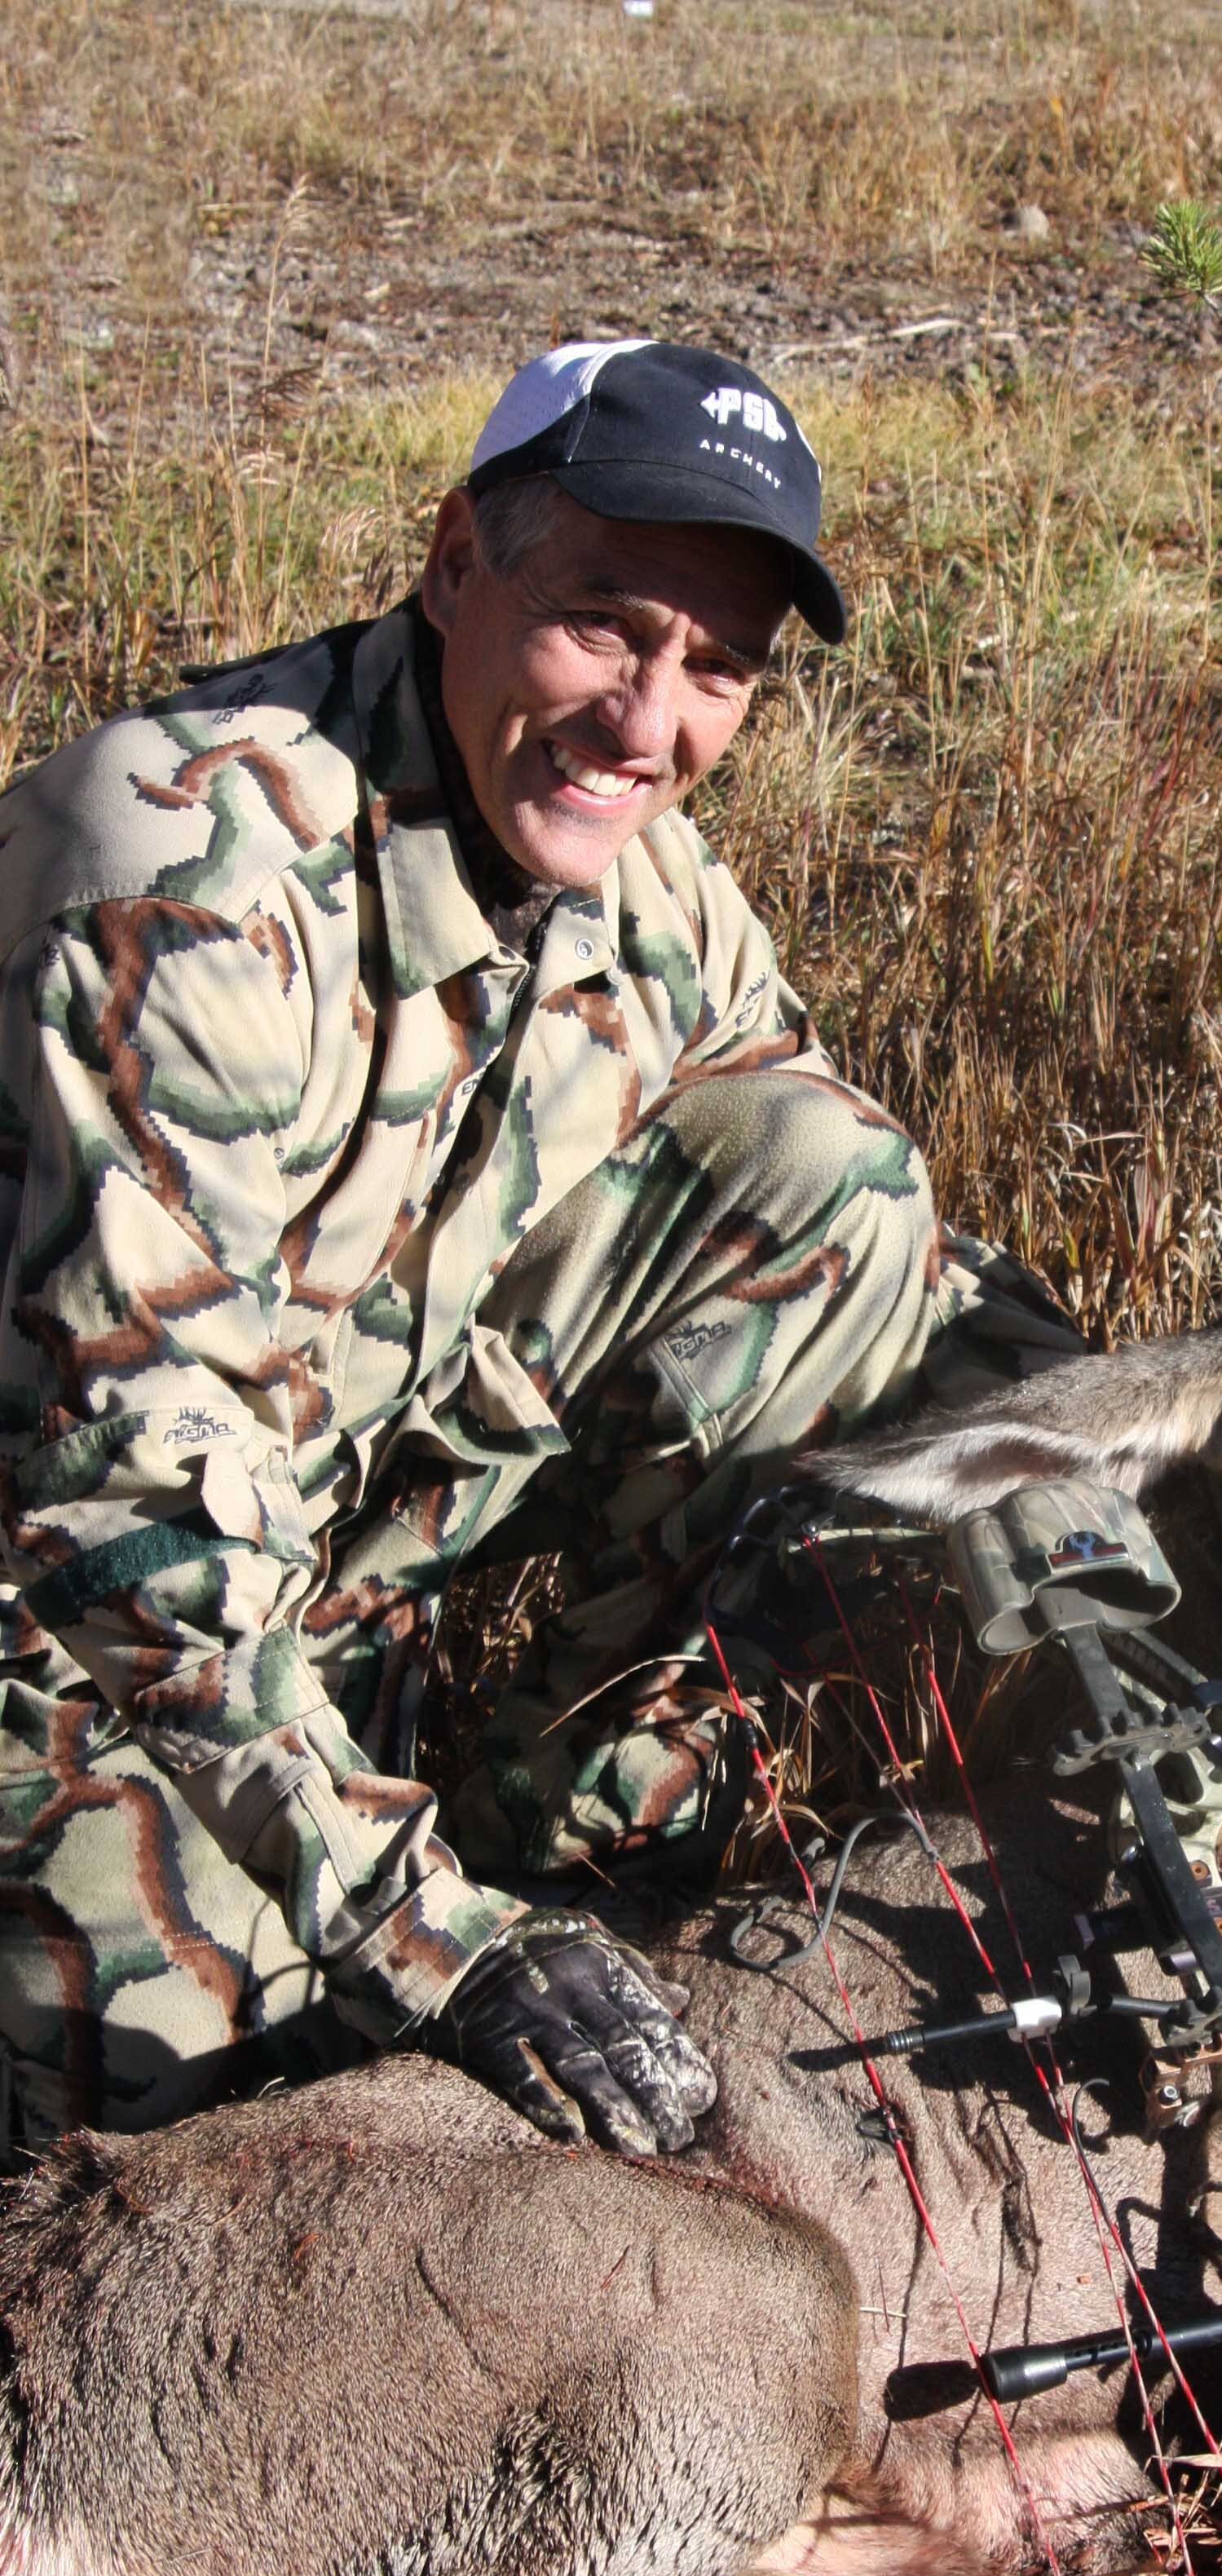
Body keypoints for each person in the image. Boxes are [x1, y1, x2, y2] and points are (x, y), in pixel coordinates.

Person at [0, 339, 1073, 2161]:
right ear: (452, 564)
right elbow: (126, 1501)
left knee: (839, 1184)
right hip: (67, 1615)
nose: (649, 728)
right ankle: (432, 1915)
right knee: (229, 2126)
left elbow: (902, 1273)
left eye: (716, 668)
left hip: (309, 1541)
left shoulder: (643, 889)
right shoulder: (185, 875)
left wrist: (1129, 1502)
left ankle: (571, 1850)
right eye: (604, 626)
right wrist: (425, 1943)